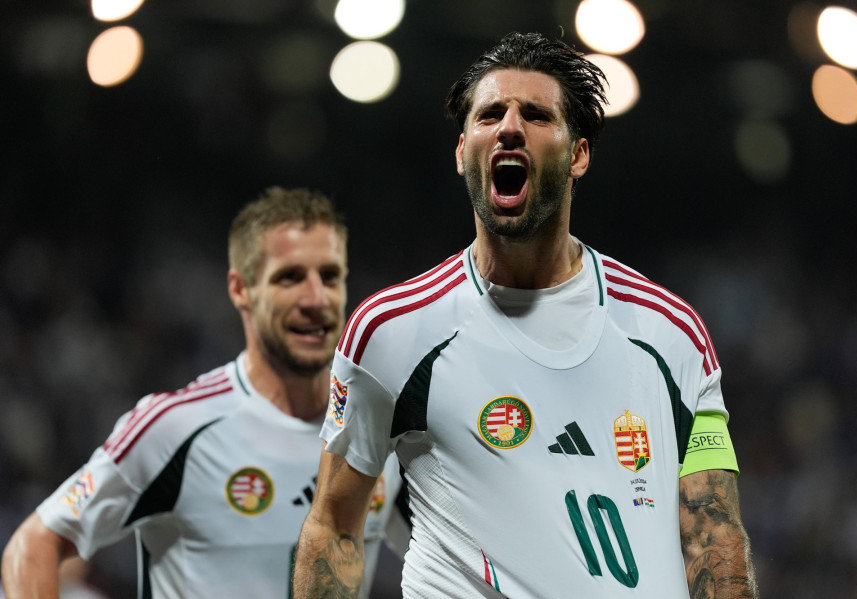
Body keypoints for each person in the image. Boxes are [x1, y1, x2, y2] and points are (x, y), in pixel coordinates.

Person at [292, 31, 758, 598]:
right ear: (462, 151)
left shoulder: (670, 334)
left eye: (536, 115)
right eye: (490, 115)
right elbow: (335, 527)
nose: (509, 127)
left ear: (578, 154)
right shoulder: (392, 332)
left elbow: (714, 539)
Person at [2, 187, 405, 598]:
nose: (316, 298)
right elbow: (33, 545)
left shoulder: (376, 433)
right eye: (290, 277)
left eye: (330, 276)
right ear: (241, 289)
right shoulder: (175, 429)